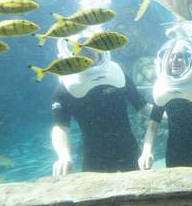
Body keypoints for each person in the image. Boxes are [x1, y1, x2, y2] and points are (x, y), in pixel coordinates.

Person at [51, 38, 151, 175]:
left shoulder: (118, 75)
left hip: (129, 150)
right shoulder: (66, 87)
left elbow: (143, 107)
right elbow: (60, 127)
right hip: (94, 157)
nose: (86, 49)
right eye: (79, 47)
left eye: (91, 45)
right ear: (70, 53)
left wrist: (166, 115)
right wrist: (64, 156)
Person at [138, 27, 192, 170]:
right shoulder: (162, 85)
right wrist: (146, 152)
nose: (174, 60)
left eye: (179, 56)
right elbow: (153, 125)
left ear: (189, 59)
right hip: (174, 154)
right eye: (171, 56)